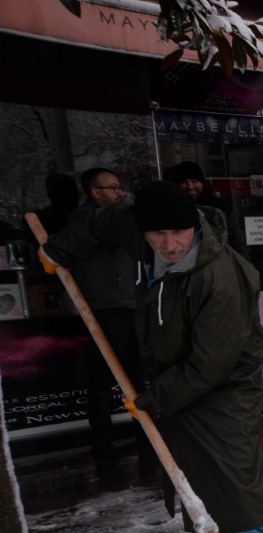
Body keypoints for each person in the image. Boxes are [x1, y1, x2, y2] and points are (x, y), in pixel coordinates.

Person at [41, 180, 263, 533]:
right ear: (143, 229)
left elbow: (209, 364)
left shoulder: (221, 279)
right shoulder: (134, 228)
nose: (169, 245)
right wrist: (58, 250)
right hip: (176, 373)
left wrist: (153, 400)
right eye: (158, 234)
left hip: (226, 383)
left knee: (233, 468)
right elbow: (103, 223)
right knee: (190, 471)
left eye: (179, 232)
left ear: (194, 226)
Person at [70, 167, 144, 461]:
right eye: (112, 187)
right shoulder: (83, 219)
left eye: (119, 187)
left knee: (137, 375)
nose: (119, 192)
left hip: (129, 303)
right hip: (103, 307)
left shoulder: (120, 216)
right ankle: (102, 440)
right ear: (94, 192)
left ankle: (145, 432)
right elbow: (107, 232)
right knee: (102, 377)